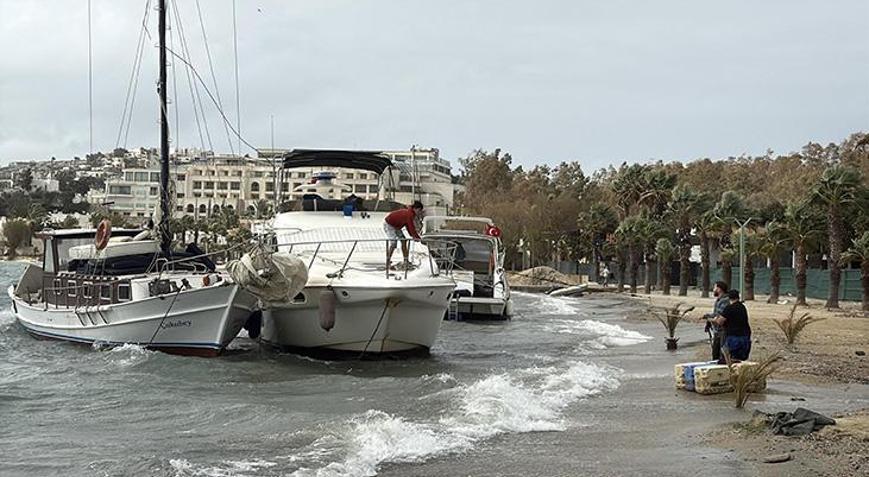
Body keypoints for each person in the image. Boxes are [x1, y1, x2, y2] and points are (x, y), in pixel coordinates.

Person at [712, 289, 752, 363]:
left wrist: (714, 320)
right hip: (745, 337)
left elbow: (720, 321)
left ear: (729, 298)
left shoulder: (729, 308)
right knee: (741, 361)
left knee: (730, 359)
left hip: (733, 338)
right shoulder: (742, 307)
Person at [384, 200, 424, 270]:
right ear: (416, 209)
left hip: (396, 226)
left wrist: (414, 236)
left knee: (404, 241)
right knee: (393, 243)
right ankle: (388, 261)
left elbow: (408, 227)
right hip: (389, 224)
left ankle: (405, 260)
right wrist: (416, 237)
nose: (419, 213)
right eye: (419, 211)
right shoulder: (409, 214)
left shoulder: (410, 213)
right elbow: (411, 227)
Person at [703, 281, 729, 361]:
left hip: (723, 331)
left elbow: (720, 315)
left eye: (715, 287)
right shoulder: (719, 300)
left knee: (721, 355)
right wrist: (707, 317)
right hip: (717, 331)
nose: (713, 290)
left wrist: (710, 318)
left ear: (719, 289)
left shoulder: (725, 301)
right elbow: (715, 314)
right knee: (715, 354)